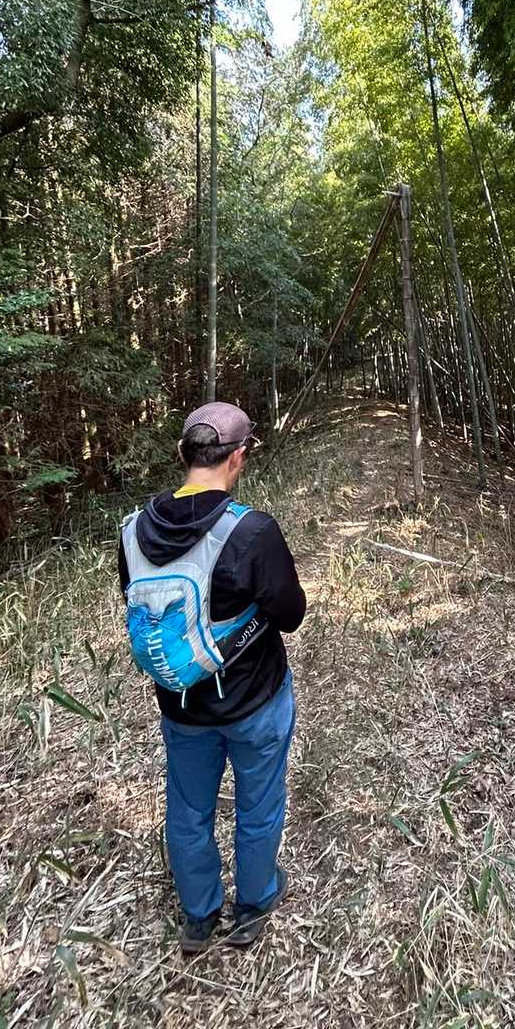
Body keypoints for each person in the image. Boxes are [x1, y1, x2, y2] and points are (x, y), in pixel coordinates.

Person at [118, 401, 306, 954]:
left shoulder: (133, 533)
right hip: (255, 700)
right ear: (239, 457)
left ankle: (199, 917)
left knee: (188, 809)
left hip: (181, 702)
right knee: (258, 802)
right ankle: (254, 903)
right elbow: (291, 614)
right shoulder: (251, 531)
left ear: (183, 453)